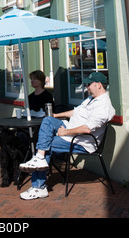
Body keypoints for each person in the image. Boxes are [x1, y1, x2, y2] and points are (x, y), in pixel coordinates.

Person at [19, 72, 115, 200]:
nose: (87, 87)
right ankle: (40, 158)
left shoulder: (104, 106)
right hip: (70, 131)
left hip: (81, 142)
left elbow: (87, 129)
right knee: (47, 121)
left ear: (98, 85)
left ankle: (38, 187)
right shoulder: (90, 99)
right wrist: (55, 115)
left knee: (46, 144)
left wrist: (65, 132)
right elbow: (76, 111)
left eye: (89, 84)